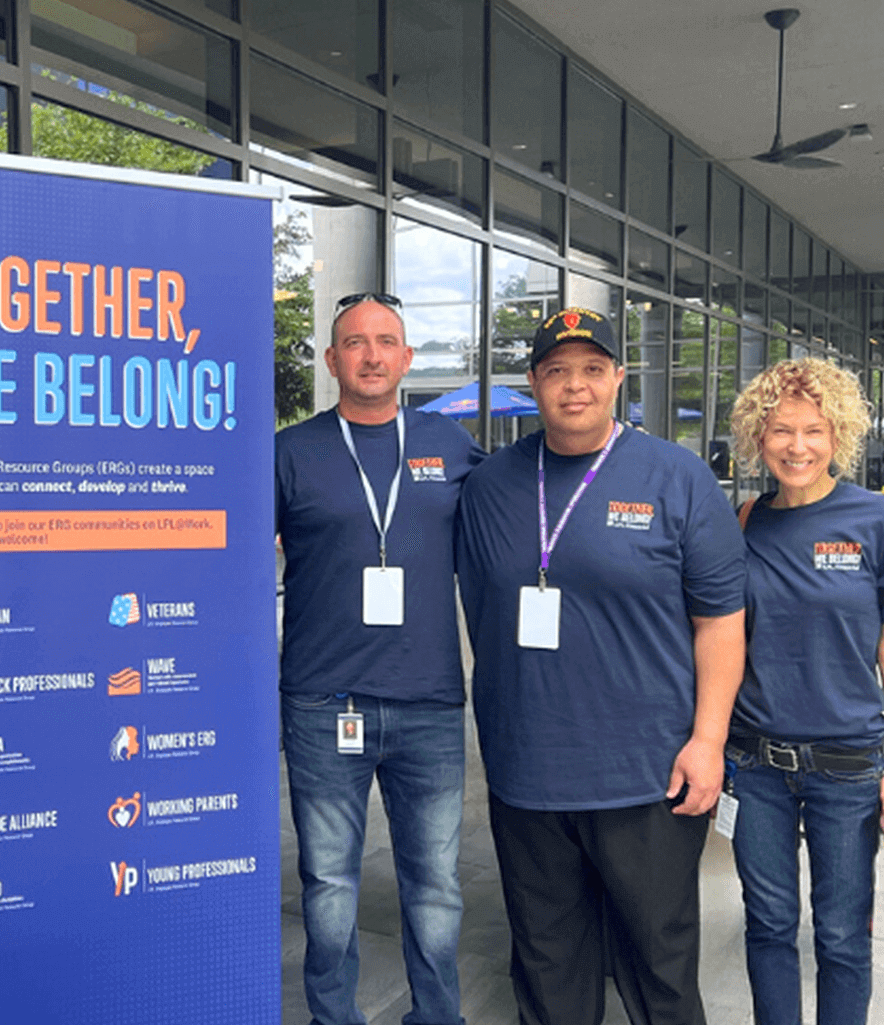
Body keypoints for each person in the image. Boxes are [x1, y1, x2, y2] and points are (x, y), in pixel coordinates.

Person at [455, 307, 747, 1024]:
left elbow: (720, 621)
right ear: (532, 383)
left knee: (657, 967)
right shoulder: (490, 485)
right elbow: (479, 609)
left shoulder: (675, 477)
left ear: (618, 377)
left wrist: (707, 742)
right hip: (527, 774)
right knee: (548, 963)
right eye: (556, 371)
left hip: (645, 776)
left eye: (591, 369)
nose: (574, 386)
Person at [276, 291, 484, 1025]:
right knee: (328, 884)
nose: (370, 354)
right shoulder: (290, 451)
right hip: (321, 700)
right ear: (332, 360)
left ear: (406, 358)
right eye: (355, 343)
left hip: (427, 700)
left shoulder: (452, 445)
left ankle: (436, 1016)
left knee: (433, 885)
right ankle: (333, 1018)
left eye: (385, 341)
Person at [726, 358, 884, 1025]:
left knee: (842, 936)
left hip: (846, 767)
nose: (796, 446)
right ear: (756, 437)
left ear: (838, 435)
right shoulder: (741, 519)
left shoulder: (873, 518)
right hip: (755, 763)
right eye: (780, 430)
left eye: (813, 431)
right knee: (765, 926)